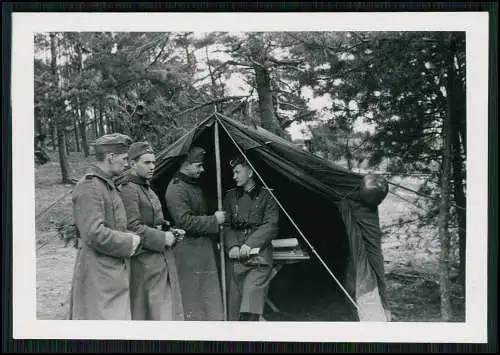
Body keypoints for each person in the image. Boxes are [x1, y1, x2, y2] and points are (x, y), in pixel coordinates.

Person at [68, 133, 141, 320]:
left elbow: (114, 226)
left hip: (111, 274)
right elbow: (93, 233)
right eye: (124, 159)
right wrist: (130, 241)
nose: (127, 164)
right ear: (110, 157)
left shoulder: (106, 185)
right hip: (98, 275)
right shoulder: (90, 186)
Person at [119, 142, 186, 321]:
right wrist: (164, 237)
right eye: (146, 163)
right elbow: (132, 227)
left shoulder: (146, 186)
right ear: (133, 164)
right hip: (144, 261)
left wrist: (169, 229)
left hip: (159, 258)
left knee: (165, 310)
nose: (152, 167)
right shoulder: (128, 189)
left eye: (154, 162)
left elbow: (154, 219)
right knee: (150, 312)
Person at [164, 146, 226, 321]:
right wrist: (214, 220)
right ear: (186, 165)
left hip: (203, 250)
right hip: (189, 252)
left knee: (208, 297)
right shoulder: (176, 188)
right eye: (198, 166)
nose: (202, 169)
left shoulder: (192, 185)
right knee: (194, 299)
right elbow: (185, 221)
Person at [223, 155, 279, 321]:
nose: (234, 176)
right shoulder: (230, 196)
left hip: (259, 257)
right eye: (233, 172)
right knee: (234, 304)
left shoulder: (267, 196)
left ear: (250, 172)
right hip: (236, 257)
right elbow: (226, 225)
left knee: (251, 297)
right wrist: (232, 245)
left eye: (237, 172)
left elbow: (271, 225)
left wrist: (250, 243)